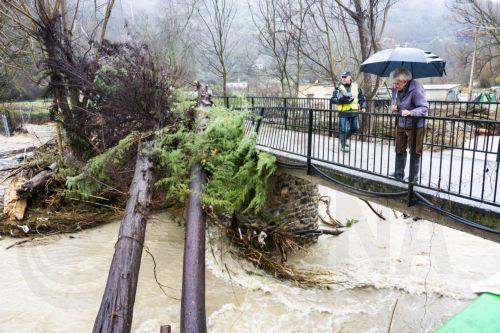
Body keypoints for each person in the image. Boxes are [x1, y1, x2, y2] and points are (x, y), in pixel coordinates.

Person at [390, 67, 428, 181]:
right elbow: (393, 100)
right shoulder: (395, 88)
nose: (395, 86)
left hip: (416, 124)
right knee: (399, 148)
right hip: (401, 122)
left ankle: (413, 177)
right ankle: (398, 173)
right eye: (394, 83)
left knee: (415, 151)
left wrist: (411, 112)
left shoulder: (417, 89)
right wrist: (392, 106)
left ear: (405, 81)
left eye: (397, 83)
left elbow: (424, 107)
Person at [330, 71, 367, 152]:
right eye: (342, 77)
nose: (343, 78)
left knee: (354, 128)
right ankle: (343, 146)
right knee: (343, 129)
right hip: (343, 112)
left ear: (349, 77)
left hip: (353, 111)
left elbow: (361, 97)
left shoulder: (356, 86)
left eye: (345, 77)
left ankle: (343, 139)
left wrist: (363, 106)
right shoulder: (338, 87)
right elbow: (332, 99)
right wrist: (340, 101)